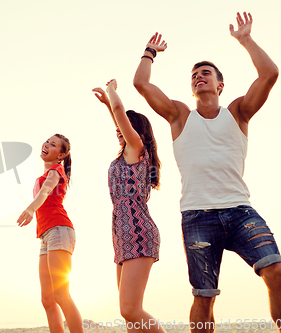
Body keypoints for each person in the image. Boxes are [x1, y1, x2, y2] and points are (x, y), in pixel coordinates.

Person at [133, 12, 281, 332]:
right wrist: (149, 52)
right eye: (194, 75)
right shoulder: (179, 115)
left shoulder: (238, 111)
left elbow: (270, 73)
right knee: (204, 298)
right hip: (197, 216)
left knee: (276, 271)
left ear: (220, 84)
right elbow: (141, 83)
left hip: (240, 211)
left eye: (205, 73)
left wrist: (245, 39)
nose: (198, 76)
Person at [93, 80, 164, 333]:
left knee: (130, 310)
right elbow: (120, 120)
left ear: (139, 132)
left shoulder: (137, 149)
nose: (119, 129)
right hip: (121, 234)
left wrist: (112, 92)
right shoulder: (126, 152)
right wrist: (108, 107)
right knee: (130, 316)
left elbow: (122, 115)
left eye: (124, 126)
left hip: (137, 230)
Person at [17, 134, 83, 333]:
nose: (46, 145)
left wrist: (30, 209)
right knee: (47, 299)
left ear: (61, 155)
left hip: (59, 230)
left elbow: (45, 192)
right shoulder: (43, 175)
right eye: (47, 141)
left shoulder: (56, 171)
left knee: (61, 294)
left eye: (53, 145)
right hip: (46, 235)